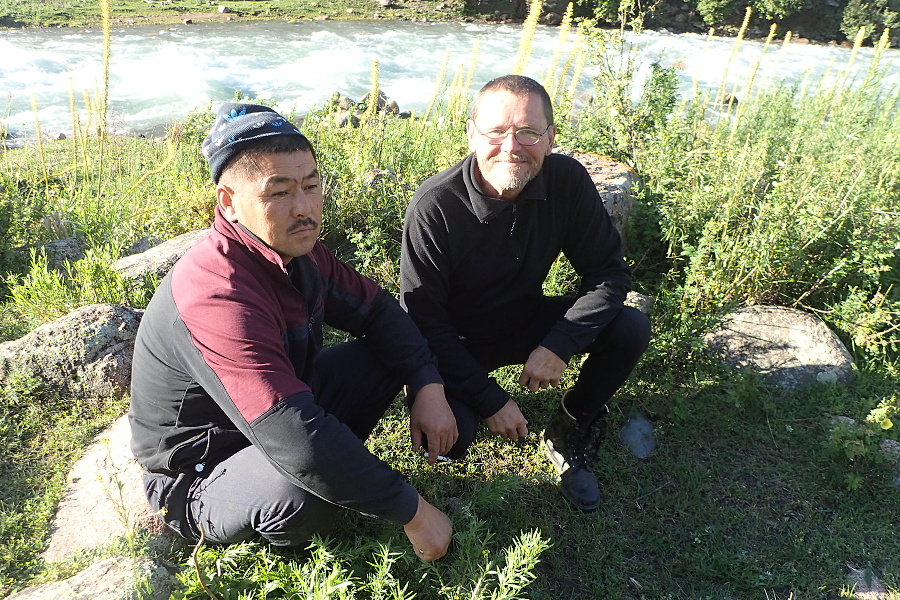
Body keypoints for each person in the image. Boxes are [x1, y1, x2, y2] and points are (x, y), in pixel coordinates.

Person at [128, 102, 455, 561]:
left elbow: (378, 312)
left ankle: (338, 471)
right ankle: (293, 530)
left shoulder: (299, 252)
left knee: (382, 355)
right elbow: (292, 435)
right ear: (229, 203)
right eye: (279, 192)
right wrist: (414, 513)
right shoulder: (216, 291)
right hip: (201, 469)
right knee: (299, 491)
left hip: (278, 415)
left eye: (311, 185)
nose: (303, 208)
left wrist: (427, 382)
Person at [400, 75, 652, 512]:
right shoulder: (435, 207)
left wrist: (559, 343)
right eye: (496, 131)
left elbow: (608, 275)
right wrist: (490, 399)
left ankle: (571, 425)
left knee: (628, 326)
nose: (512, 145)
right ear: (472, 133)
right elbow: (424, 324)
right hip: (454, 345)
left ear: (551, 138)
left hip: (523, 319)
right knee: (450, 443)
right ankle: (469, 401)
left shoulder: (566, 181)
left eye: (529, 132)